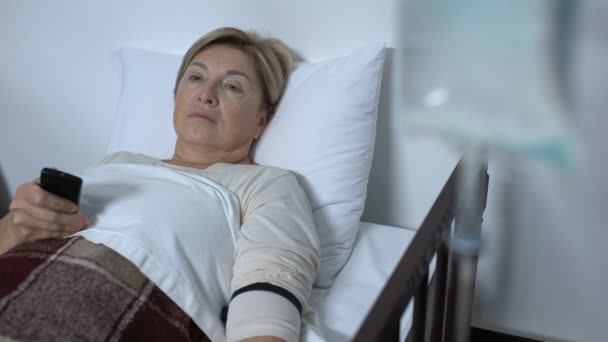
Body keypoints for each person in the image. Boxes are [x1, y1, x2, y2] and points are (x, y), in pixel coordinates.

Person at [0, 27, 320, 342]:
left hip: (113, 307)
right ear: (176, 96)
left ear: (261, 120)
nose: (206, 95)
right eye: (196, 77)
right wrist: (18, 224)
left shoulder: (266, 184)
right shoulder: (115, 162)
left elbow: (267, 292)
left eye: (233, 86)